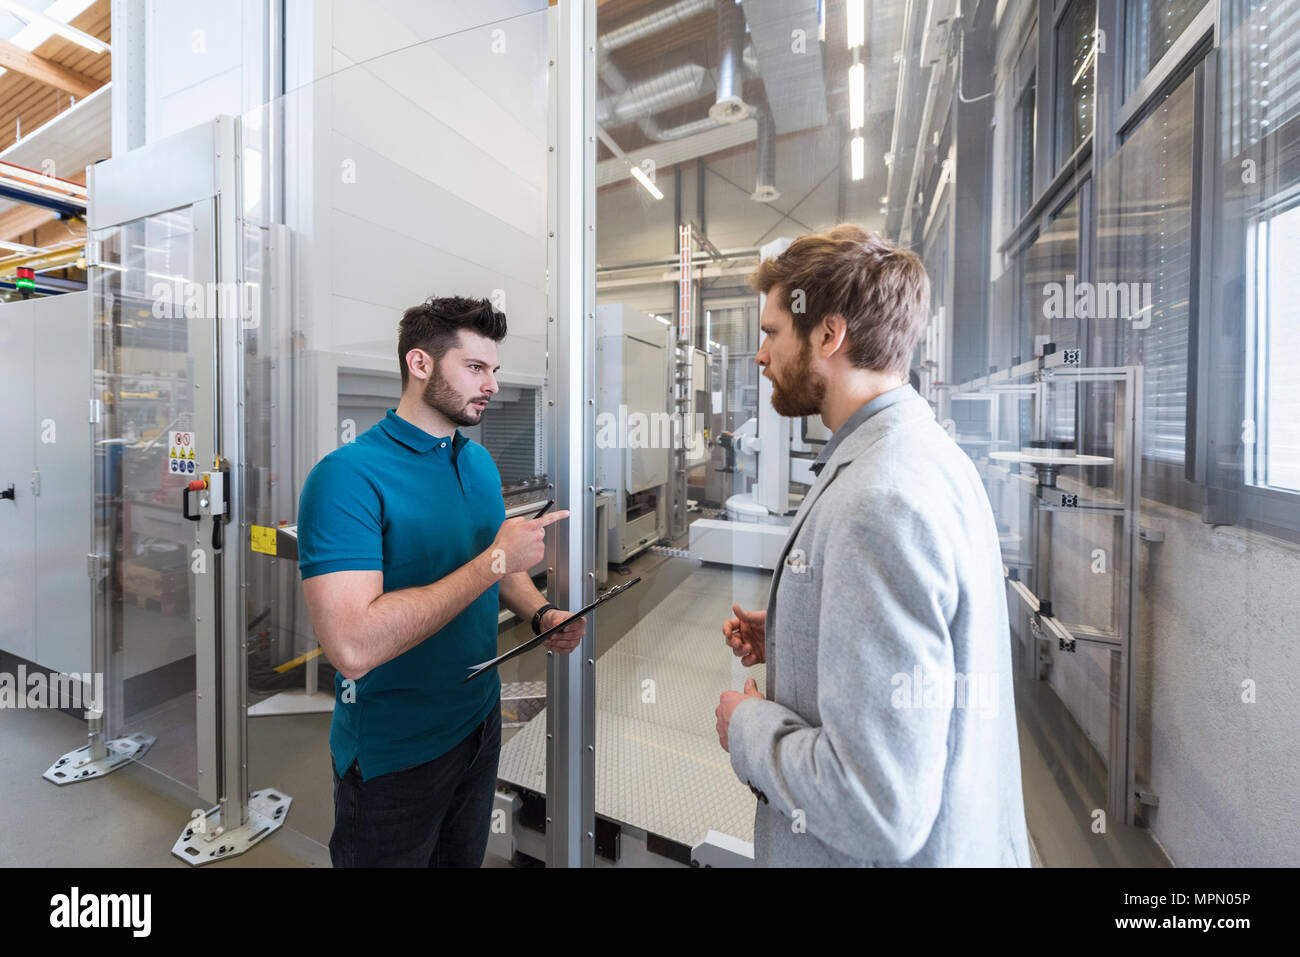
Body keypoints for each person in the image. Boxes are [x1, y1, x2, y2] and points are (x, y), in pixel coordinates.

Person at [714, 225, 1030, 867]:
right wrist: (798, 639)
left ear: (828, 335)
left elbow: (875, 805)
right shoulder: (924, 453)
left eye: (772, 332)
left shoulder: (878, 499)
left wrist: (745, 730)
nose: (760, 355)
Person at [297, 295, 582, 867]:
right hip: (393, 755)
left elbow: (498, 569)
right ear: (420, 364)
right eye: (475, 368)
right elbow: (352, 647)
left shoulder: (475, 461)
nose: (492, 385)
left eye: (494, 370)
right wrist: (497, 561)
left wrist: (539, 612)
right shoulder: (346, 478)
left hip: (478, 725)